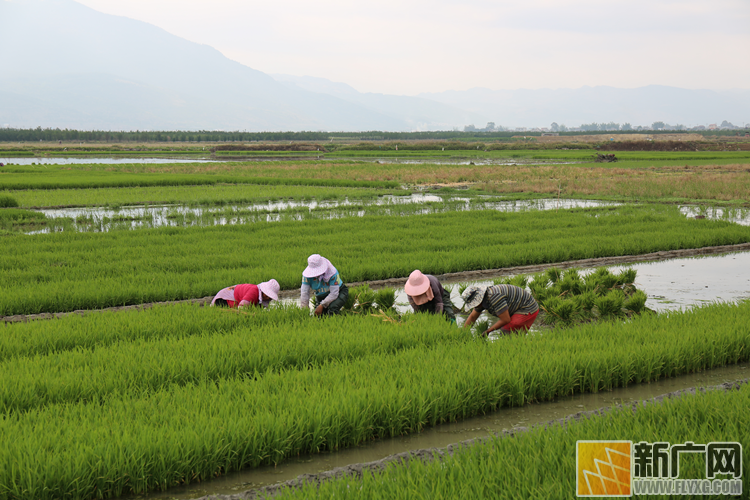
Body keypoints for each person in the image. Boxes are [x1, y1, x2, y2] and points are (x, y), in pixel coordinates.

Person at [461, 284, 539, 336]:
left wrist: (488, 331)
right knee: (511, 334)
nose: (474, 305)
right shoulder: (483, 300)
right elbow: (472, 317)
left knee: (506, 331)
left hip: (527, 308)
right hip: (517, 308)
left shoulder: (494, 297)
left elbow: (505, 320)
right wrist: (463, 333)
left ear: (479, 298)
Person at [211, 279, 280, 308]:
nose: (268, 298)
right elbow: (242, 307)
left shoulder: (264, 299)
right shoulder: (254, 292)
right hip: (224, 299)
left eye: (270, 297)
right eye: (267, 295)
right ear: (263, 291)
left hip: (236, 298)